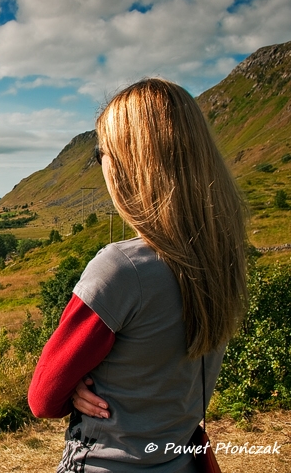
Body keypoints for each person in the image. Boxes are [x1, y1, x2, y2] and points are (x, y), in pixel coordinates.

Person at [27, 78, 248, 472]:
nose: (101, 166)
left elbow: (42, 398)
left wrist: (73, 384)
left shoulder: (121, 269)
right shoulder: (223, 261)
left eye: (101, 155)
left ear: (132, 165)